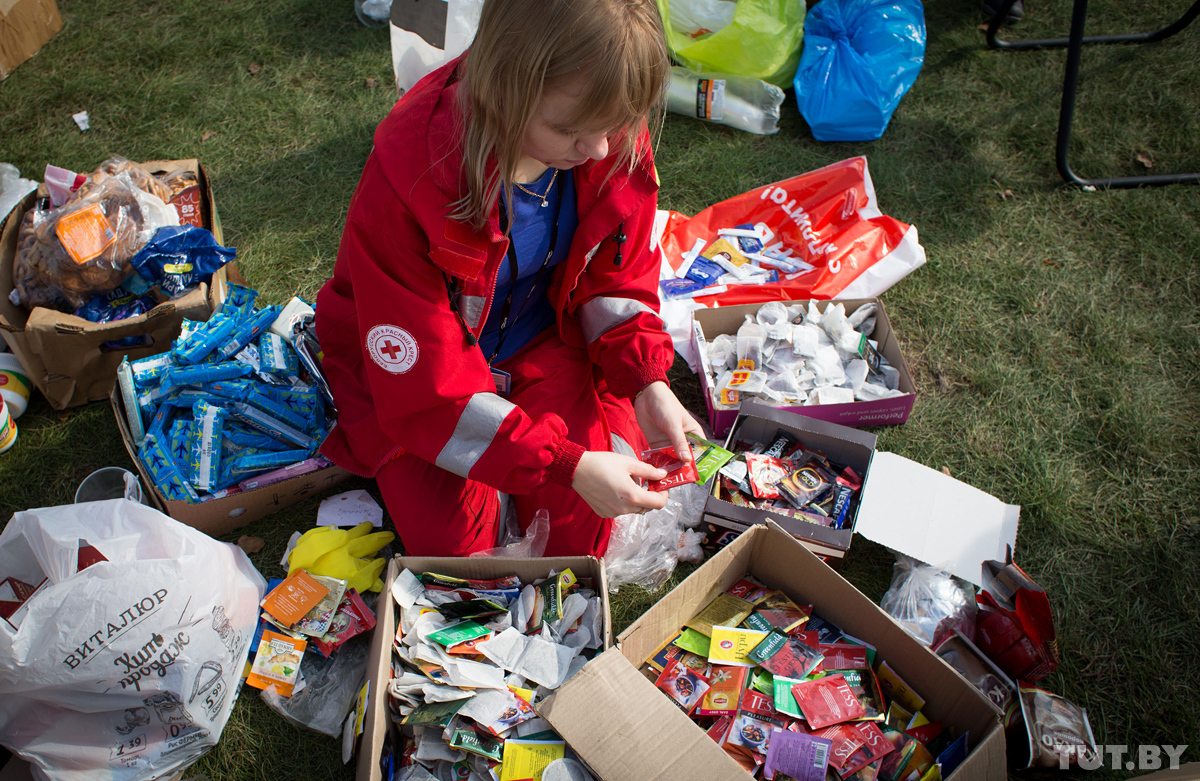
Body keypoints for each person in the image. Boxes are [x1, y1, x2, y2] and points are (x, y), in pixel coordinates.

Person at [315, 0, 703, 558]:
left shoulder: (607, 130)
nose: (597, 149)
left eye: (614, 126)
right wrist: (566, 462)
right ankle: (566, 437)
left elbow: (619, 279)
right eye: (568, 128)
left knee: (581, 537)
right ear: (505, 88)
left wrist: (647, 383)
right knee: (458, 553)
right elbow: (424, 382)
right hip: (426, 376)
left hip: (544, 340)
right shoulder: (412, 172)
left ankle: (597, 419)